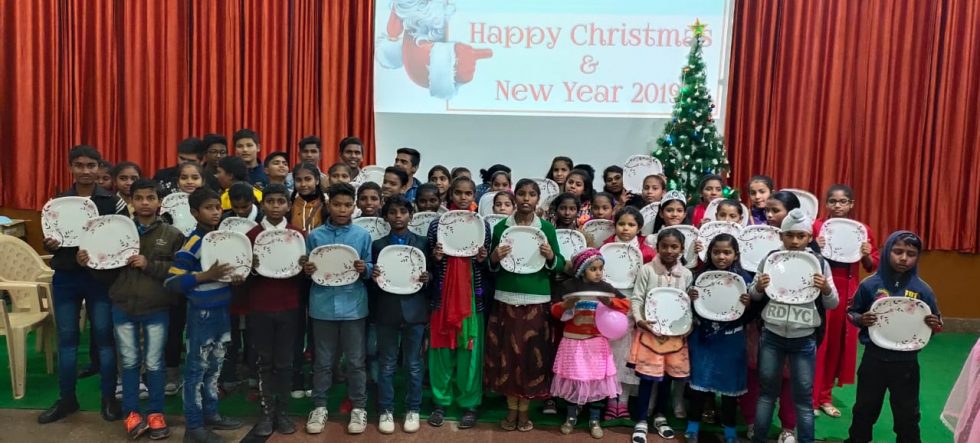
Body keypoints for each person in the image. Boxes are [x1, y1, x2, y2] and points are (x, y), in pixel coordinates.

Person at [78, 179, 184, 439]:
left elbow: (180, 272)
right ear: (131, 202)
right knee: (128, 361)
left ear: (159, 202)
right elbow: (105, 274)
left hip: (157, 308)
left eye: (150, 198)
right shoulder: (116, 231)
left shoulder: (172, 234)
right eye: (139, 198)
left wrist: (149, 264)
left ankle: (156, 413)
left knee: (155, 362)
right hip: (123, 306)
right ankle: (132, 413)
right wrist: (90, 262)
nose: (145, 203)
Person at [38, 145, 127, 425]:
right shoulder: (57, 204)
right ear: (70, 168)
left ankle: (108, 398)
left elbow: (123, 241)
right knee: (67, 341)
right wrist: (50, 244)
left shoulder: (113, 202)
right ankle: (67, 399)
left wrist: (98, 253)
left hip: (100, 279)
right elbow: (51, 239)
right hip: (66, 277)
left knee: (104, 339)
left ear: (99, 168)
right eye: (79, 165)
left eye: (91, 165)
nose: (85, 171)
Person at [749, 208, 839, 443]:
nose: (795, 241)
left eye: (801, 235)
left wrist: (825, 289)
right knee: (767, 394)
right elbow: (753, 296)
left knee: (803, 397)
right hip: (772, 334)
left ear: (810, 237)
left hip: (804, 337)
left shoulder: (819, 263)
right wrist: (759, 286)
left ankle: (806, 439)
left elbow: (833, 303)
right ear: (782, 236)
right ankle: (759, 438)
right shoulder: (771, 259)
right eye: (790, 235)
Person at [164, 187, 245, 443]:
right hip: (201, 315)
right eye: (209, 208)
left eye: (218, 207)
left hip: (222, 311)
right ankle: (193, 427)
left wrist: (237, 278)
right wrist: (205, 276)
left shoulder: (221, 240)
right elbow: (172, 281)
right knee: (196, 372)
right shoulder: (193, 243)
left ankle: (211, 414)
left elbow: (228, 272)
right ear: (194, 212)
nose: (215, 212)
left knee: (215, 368)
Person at [846, 231, 941, 443]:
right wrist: (861, 319)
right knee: (864, 409)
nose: (904, 258)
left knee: (908, 414)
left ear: (917, 257)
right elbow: (851, 312)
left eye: (911, 254)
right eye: (898, 251)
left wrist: (934, 325)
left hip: (906, 363)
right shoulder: (870, 285)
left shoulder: (922, 290)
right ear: (887, 251)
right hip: (874, 359)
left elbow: (936, 323)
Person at [486, 179, 566, 432]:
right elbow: (490, 265)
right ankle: (511, 410)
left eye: (531, 194)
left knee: (531, 357)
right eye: (521, 194)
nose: (526, 198)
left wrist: (551, 256)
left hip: (536, 301)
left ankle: (525, 411)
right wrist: (494, 258)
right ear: (514, 197)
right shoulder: (501, 228)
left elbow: (560, 263)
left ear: (537, 199)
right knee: (508, 357)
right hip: (505, 299)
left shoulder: (546, 229)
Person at [303, 183, 374, 435]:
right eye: (337, 204)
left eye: (347, 205)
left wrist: (365, 268)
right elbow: (308, 269)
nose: (342, 209)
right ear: (328, 205)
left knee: (355, 361)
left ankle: (359, 407)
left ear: (354, 207)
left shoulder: (362, 235)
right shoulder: (315, 236)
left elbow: (371, 268)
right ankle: (319, 406)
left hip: (354, 306)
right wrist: (307, 269)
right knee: (323, 361)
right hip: (322, 306)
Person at [425, 176, 491, 429]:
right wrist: (436, 257)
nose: (463, 197)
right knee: (440, 352)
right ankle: (440, 402)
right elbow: (429, 264)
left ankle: (469, 404)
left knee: (469, 353)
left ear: (474, 195)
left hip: (472, 300)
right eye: (458, 193)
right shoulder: (437, 225)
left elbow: (487, 267)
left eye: (468, 193)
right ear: (450, 194)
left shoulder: (483, 225)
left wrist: (483, 259)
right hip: (442, 299)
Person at [812, 184, 879, 417]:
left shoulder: (861, 230)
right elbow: (802, 254)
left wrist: (867, 253)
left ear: (851, 204)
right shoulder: (817, 227)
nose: (837, 205)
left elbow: (871, 265)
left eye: (843, 201)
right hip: (819, 286)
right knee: (817, 342)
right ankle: (809, 398)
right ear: (826, 203)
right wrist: (815, 245)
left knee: (836, 344)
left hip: (846, 289)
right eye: (832, 201)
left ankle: (824, 396)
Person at [740, 190, 802, 442]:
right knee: (755, 373)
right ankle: (753, 422)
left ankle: (788, 427)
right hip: (760, 321)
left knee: (790, 377)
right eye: (767, 210)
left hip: (795, 324)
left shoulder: (809, 251)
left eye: (775, 210)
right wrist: (754, 290)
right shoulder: (756, 240)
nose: (769, 215)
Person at [244, 184, 305, 436]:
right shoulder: (252, 236)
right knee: (264, 360)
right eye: (270, 201)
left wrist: (305, 267)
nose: (276, 206)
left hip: (290, 306)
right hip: (260, 306)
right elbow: (241, 274)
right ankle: (267, 412)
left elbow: (304, 275)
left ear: (288, 206)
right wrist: (250, 266)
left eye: (281, 201)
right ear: (263, 204)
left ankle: (284, 412)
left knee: (285, 361)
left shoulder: (298, 235)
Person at [552, 248, 630, 439]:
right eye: (593, 269)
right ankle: (571, 416)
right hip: (573, 342)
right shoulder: (568, 286)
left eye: (600, 268)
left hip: (596, 343)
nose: (598, 273)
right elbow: (554, 311)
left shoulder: (606, 288)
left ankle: (594, 419)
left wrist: (610, 303)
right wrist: (565, 305)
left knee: (597, 382)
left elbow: (626, 305)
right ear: (581, 270)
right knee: (574, 380)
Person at [370, 195, 430, 434]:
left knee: (414, 364)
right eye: (393, 212)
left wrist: (428, 277)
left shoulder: (422, 243)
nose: (398, 216)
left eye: (403, 212)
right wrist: (373, 277)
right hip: (387, 310)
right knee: (387, 363)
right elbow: (374, 281)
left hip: (415, 311)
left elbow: (432, 274)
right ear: (385, 217)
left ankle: (413, 408)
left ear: (411, 216)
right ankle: (386, 409)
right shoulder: (378, 245)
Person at [685, 234, 753, 443]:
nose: (721, 257)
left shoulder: (743, 280)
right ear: (709, 253)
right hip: (703, 338)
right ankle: (692, 427)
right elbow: (690, 309)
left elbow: (751, 315)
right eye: (716, 252)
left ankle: (730, 432)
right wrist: (691, 298)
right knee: (699, 384)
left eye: (727, 252)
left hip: (731, 340)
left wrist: (749, 304)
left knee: (729, 388)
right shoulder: (701, 277)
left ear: (736, 255)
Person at [628, 228, 694, 443]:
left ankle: (660, 416)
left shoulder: (687, 274)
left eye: (674, 246)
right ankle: (641, 419)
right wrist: (640, 320)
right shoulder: (647, 270)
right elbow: (637, 298)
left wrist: (688, 324)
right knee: (647, 378)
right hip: (650, 333)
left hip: (675, 336)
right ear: (657, 247)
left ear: (681, 249)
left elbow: (687, 305)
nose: (669, 250)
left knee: (667, 378)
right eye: (664, 246)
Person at [290, 163, 327, 233]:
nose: (303, 184)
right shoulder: (290, 206)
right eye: (298, 180)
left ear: (317, 180)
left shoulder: (326, 205)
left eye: (308, 179)